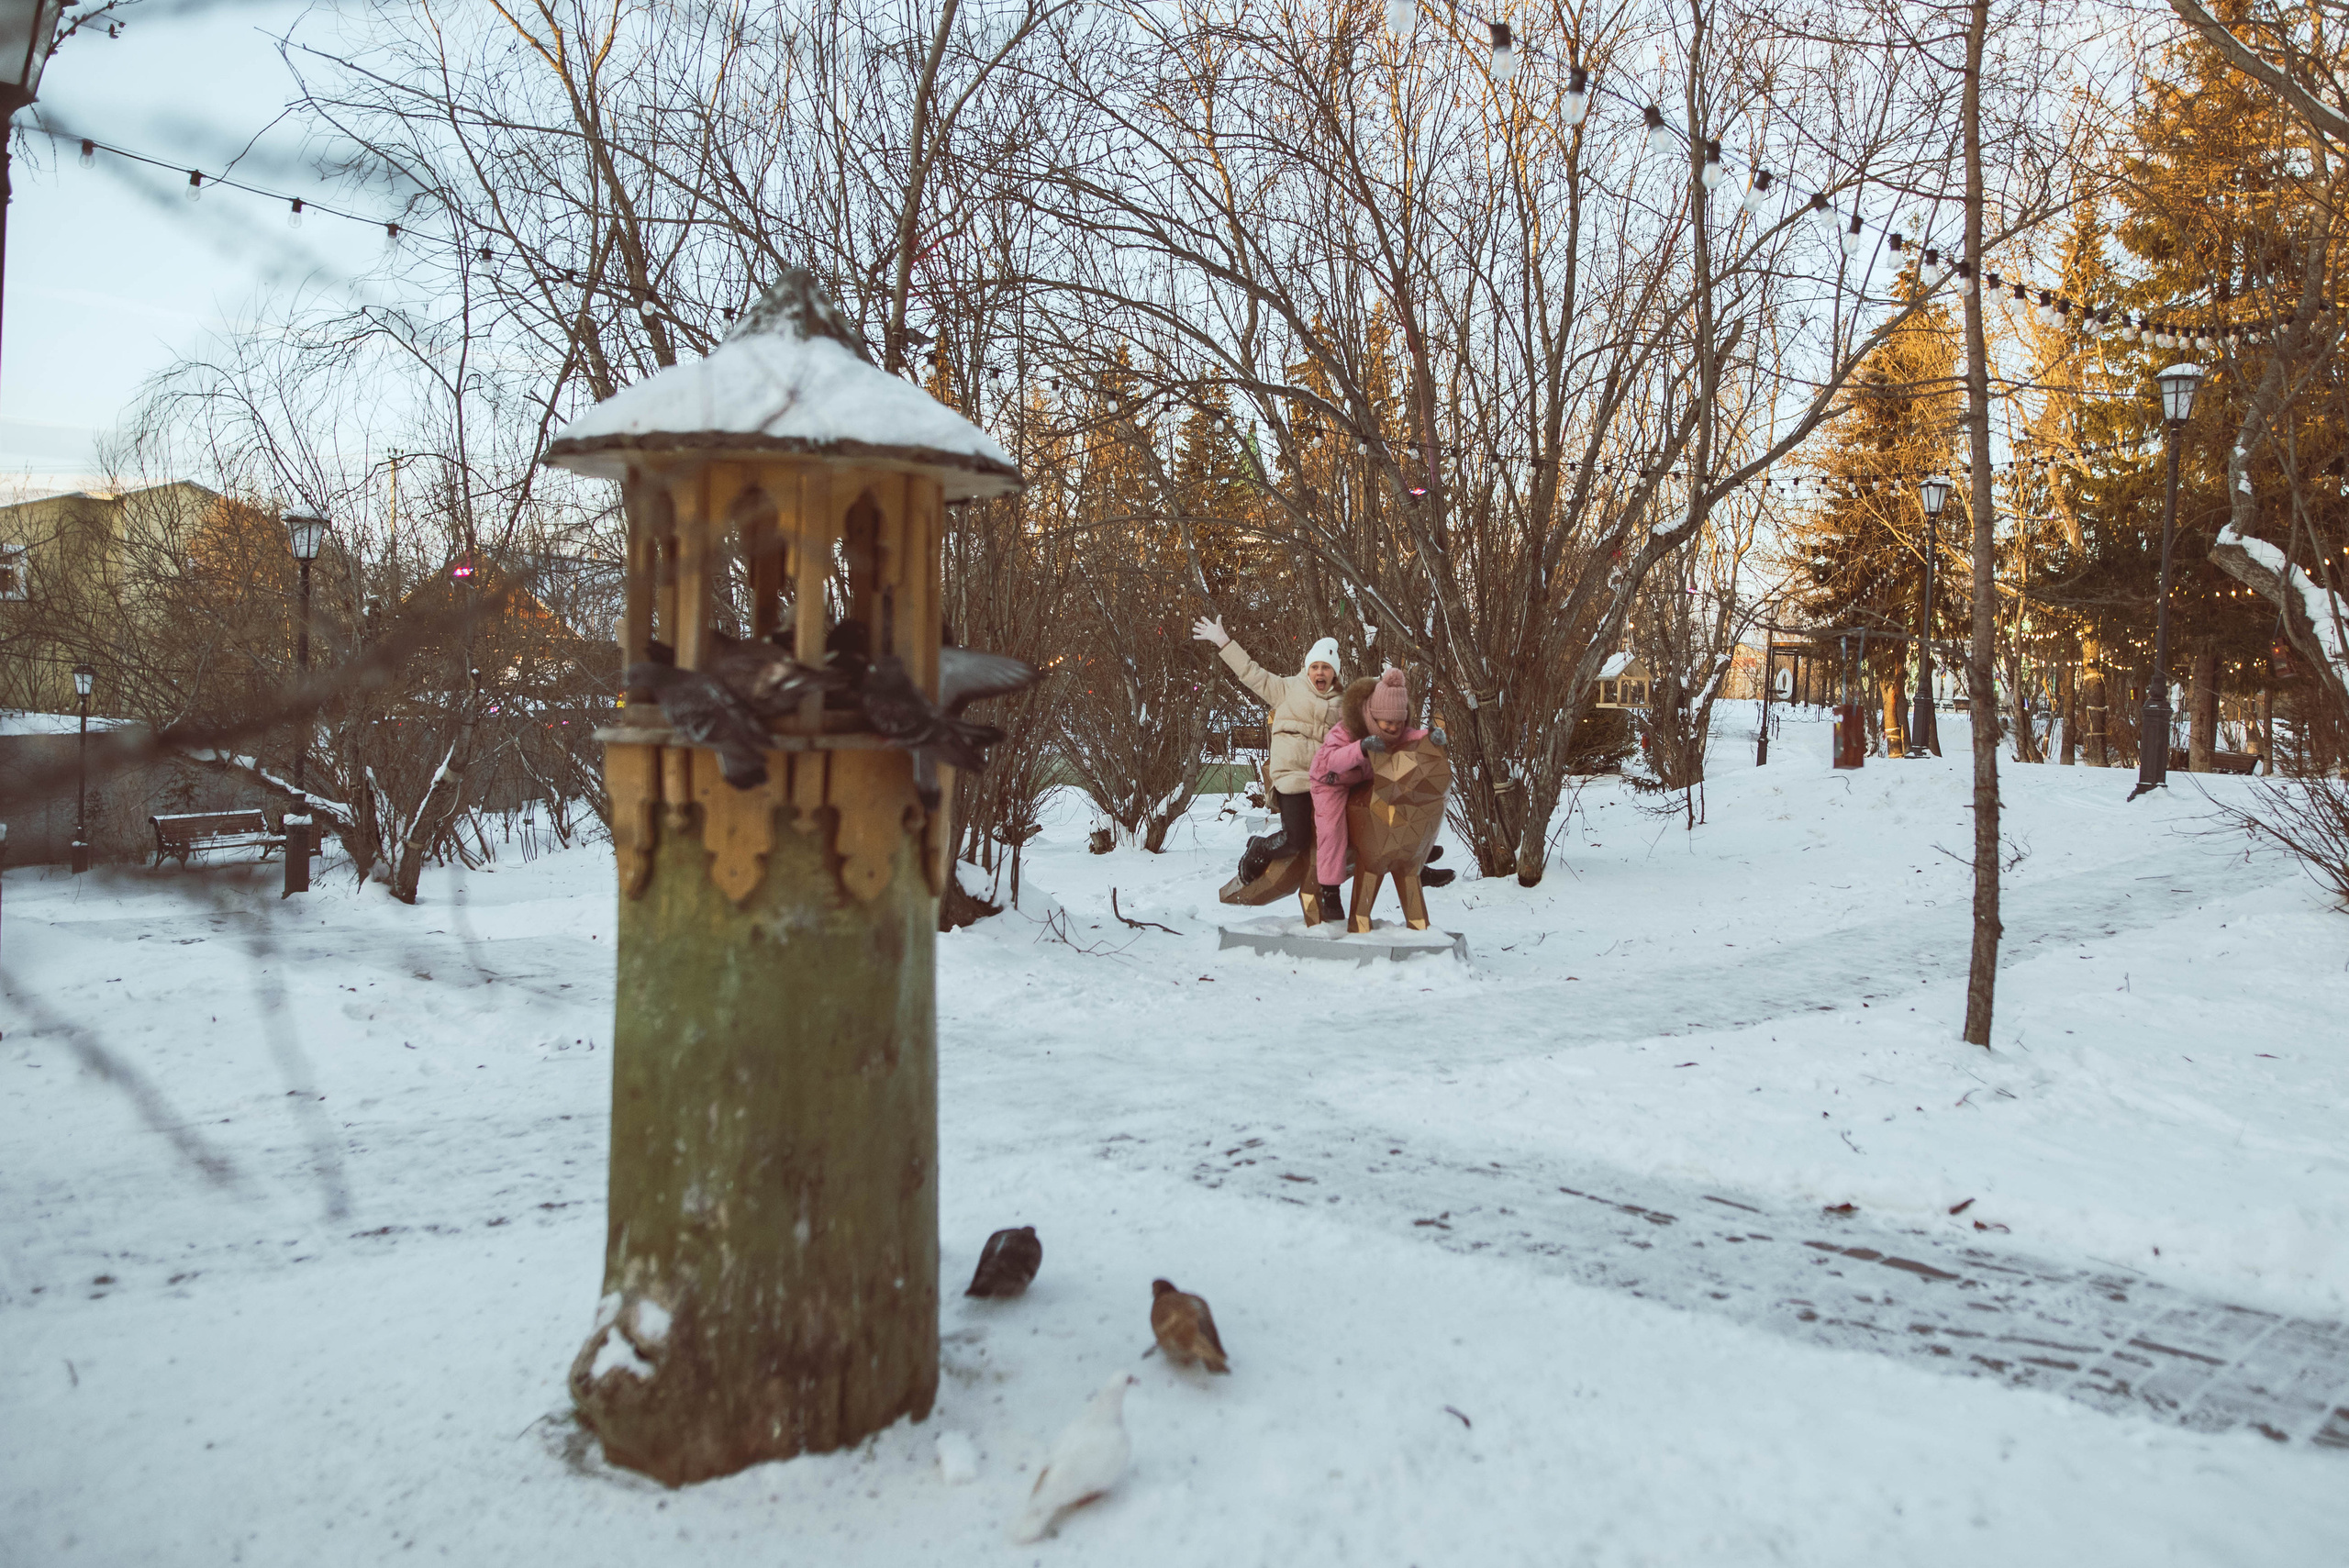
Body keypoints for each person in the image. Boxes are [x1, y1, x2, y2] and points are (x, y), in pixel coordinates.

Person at [1194, 616, 1341, 885]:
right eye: (1315, 666)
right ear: (1307, 669)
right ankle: (1259, 849)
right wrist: (1224, 642)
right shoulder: (1287, 689)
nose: (1320, 672)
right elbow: (1252, 673)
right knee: (1297, 840)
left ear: (1335, 673)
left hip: (1325, 782)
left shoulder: (1342, 704)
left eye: (1326, 668)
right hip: (1292, 778)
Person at [1308, 667, 1449, 922]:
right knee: (1332, 827)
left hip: (1365, 780)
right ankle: (1329, 888)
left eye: (1399, 722)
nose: (1394, 728)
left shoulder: (1397, 727)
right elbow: (1331, 760)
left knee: (1407, 806)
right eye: (1388, 723)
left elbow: (1412, 737)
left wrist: (1431, 737)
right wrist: (1360, 748)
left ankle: (1419, 857)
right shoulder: (1347, 730)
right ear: (1373, 715)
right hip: (1332, 780)